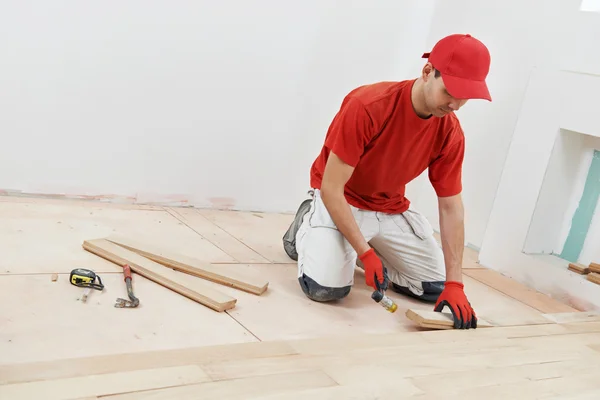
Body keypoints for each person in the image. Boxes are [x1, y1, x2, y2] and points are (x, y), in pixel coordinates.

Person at [282, 33, 492, 329]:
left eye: (465, 96)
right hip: (342, 198)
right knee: (326, 290)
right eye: (450, 91)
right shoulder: (367, 105)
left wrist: (456, 284)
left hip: (389, 208)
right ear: (428, 72)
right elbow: (332, 187)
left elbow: (451, 207)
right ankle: (307, 223)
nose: (456, 104)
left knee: (432, 286)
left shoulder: (450, 133)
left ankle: (366, 244)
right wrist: (365, 254)